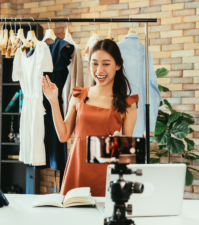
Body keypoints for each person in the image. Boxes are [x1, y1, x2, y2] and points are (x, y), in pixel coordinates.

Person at [41, 39, 139, 197]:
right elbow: (63, 135)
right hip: (77, 170)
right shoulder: (79, 96)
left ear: (118, 65)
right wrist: (53, 101)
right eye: (94, 64)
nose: (99, 70)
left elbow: (127, 156)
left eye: (106, 64)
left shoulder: (127, 104)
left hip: (107, 176)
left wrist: (120, 142)